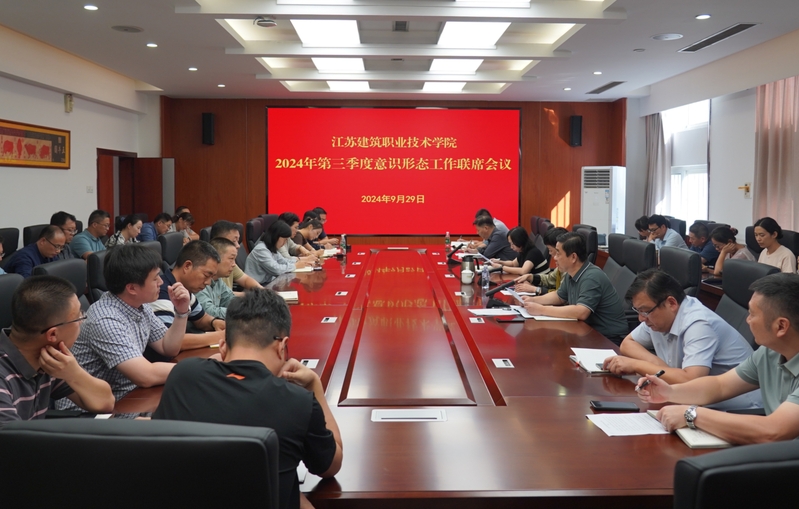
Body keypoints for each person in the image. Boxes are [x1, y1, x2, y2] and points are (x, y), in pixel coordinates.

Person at [153, 288, 343, 509]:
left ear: (223, 346)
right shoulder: (298, 401)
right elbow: (331, 466)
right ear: (281, 347)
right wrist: (315, 386)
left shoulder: (182, 376)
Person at [638, 273, 799, 444]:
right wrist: (670, 392)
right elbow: (720, 385)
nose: (747, 320)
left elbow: (773, 431)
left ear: (781, 326)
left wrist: (692, 414)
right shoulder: (769, 353)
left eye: (752, 314)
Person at [603, 269, 761, 410]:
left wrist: (637, 364)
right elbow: (628, 344)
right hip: (692, 399)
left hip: (739, 408)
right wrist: (657, 365)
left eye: (645, 311)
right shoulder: (658, 315)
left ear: (671, 303)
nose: (641, 318)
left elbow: (691, 381)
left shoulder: (698, 324)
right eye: (638, 311)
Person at [57, 243, 190, 406]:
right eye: (155, 278)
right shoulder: (106, 320)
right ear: (132, 288)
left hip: (126, 395)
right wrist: (198, 367)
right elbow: (146, 376)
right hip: (89, 410)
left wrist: (181, 312)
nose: (161, 282)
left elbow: (167, 347)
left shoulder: (139, 305)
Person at [0, 275, 114, 422]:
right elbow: (10, 436)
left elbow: (105, 403)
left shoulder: (48, 358)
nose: (82, 322)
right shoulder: (3, 375)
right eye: (79, 317)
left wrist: (74, 373)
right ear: (53, 334)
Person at [522, 232, 629, 344]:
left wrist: (541, 310)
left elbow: (581, 312)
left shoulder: (592, 277)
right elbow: (559, 296)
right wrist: (532, 300)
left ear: (573, 257)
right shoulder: (571, 273)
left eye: (558, 253)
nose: (555, 258)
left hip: (607, 338)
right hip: (587, 331)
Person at [150, 240, 226, 349]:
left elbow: (201, 318)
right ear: (187, 266)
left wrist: (214, 322)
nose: (208, 283)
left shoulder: (185, 289)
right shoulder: (160, 292)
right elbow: (169, 341)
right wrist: (218, 337)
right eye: (206, 275)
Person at [245, 220, 314, 285]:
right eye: (285, 239)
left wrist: (302, 262)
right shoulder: (261, 250)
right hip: (257, 287)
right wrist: (295, 266)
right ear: (276, 236)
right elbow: (276, 269)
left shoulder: (270, 248)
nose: (284, 243)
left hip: (267, 283)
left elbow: (283, 261)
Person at [208, 220, 262, 293]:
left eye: (238, 241)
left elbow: (245, 280)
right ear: (220, 241)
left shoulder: (230, 264)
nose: (238, 245)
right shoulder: (208, 277)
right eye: (233, 241)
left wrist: (264, 292)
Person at [514, 227, 568, 294]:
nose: (549, 253)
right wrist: (531, 277)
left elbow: (561, 295)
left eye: (550, 250)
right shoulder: (560, 267)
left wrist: (535, 289)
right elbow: (549, 279)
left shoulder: (568, 270)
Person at [196, 237, 237, 319]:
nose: (234, 264)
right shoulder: (199, 280)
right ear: (216, 258)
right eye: (231, 259)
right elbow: (209, 312)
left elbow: (231, 300)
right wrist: (240, 312)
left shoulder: (218, 280)